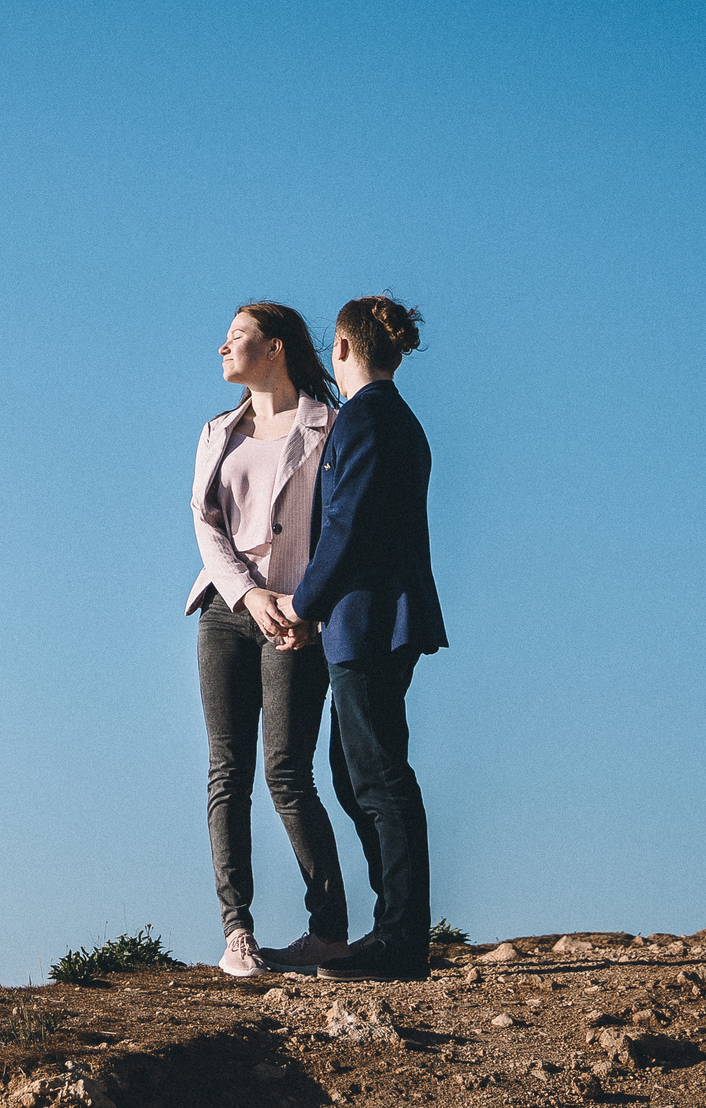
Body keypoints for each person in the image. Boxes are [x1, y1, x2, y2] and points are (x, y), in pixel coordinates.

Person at [275, 294, 448, 983]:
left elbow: (347, 526)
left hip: (370, 619)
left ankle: (400, 940)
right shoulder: (393, 418)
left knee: (377, 777)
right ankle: (392, 927)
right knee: (358, 776)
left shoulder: (369, 417)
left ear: (341, 349)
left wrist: (304, 602)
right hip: (372, 619)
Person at [186, 303, 354, 979]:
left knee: (287, 773)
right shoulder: (215, 431)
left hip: (296, 617)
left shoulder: (328, 425)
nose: (222, 344)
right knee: (228, 771)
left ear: (275, 347)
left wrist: (301, 601)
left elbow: (340, 524)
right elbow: (205, 522)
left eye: (237, 336)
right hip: (228, 612)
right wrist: (248, 594)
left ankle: (329, 930)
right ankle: (239, 932)